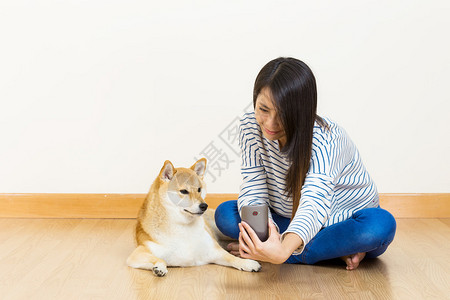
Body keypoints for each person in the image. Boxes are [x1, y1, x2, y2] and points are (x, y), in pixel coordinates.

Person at [214, 57, 396, 270]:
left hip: (340, 222)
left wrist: (279, 252)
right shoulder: (249, 126)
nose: (270, 123)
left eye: (283, 114)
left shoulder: (329, 138)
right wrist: (262, 236)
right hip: (287, 217)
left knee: (379, 226)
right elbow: (254, 184)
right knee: (226, 214)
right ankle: (328, 251)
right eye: (263, 109)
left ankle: (289, 251)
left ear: (302, 111)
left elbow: (314, 202)